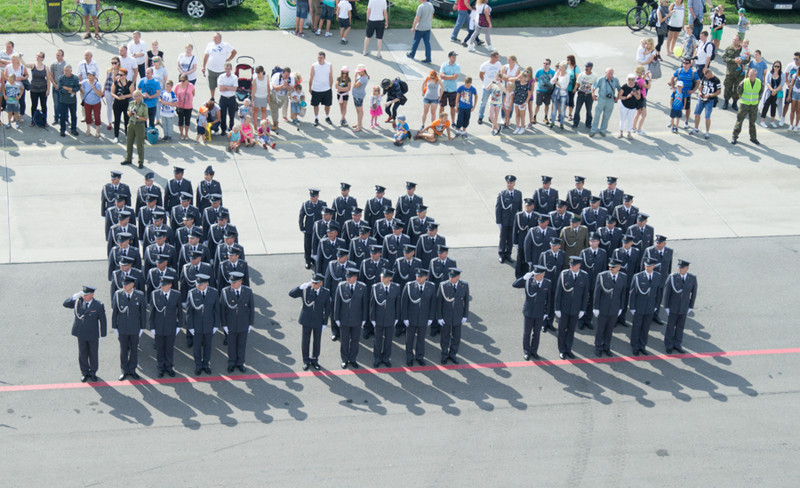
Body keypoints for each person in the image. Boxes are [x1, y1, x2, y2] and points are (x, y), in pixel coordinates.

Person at [63, 286, 107, 382]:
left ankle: (93, 372)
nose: (84, 296)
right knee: (82, 354)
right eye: (83, 294)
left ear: (92, 295)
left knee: (93, 354)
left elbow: (103, 320)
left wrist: (103, 334)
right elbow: (65, 304)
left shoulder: (98, 305)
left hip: (92, 334)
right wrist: (74, 297)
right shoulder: (78, 302)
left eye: (86, 295)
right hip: (81, 333)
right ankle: (84, 372)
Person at [290, 274, 330, 371]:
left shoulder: (325, 292)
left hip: (318, 320)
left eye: (315, 283)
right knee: (305, 341)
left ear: (321, 283)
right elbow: (291, 294)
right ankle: (306, 360)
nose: (313, 284)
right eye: (312, 282)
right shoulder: (306, 289)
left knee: (317, 341)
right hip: (306, 320)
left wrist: (325, 323)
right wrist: (300, 287)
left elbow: (328, 308)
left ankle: (315, 359)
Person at [553, 256, 589, 360]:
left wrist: (583, 309)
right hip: (564, 308)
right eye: (570, 265)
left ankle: (568, 348)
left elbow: (585, 294)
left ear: (579, 265)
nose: (571, 267)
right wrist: (557, 309)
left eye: (574, 265)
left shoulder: (584, 276)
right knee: (561, 330)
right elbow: (558, 293)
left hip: (576, 309)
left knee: (571, 330)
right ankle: (562, 350)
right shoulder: (564, 274)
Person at [111, 275, 146, 381]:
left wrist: (142, 328)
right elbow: (115, 312)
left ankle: (132, 370)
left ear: (132, 285)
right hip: (122, 328)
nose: (124, 286)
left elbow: (143, 312)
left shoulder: (139, 295)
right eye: (123, 284)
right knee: (123, 350)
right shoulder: (118, 294)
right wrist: (114, 327)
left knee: (134, 350)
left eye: (126, 284)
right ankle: (124, 370)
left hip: (135, 327)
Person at [219, 271, 254, 373]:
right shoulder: (225, 292)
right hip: (231, 324)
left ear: (240, 282)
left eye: (234, 282)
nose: (232, 284)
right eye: (231, 282)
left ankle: (240, 363)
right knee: (231, 345)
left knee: (242, 344)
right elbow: (222, 310)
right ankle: (231, 363)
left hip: (243, 323)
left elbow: (251, 308)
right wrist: (224, 324)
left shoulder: (247, 291)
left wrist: (250, 323)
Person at [512, 265, 549, 360]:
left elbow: (549, 300)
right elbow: (515, 284)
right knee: (527, 333)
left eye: (538, 275)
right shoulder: (529, 281)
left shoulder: (547, 283)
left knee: (537, 333)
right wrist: (524, 278)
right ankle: (527, 351)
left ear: (543, 274)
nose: (535, 276)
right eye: (534, 275)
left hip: (539, 312)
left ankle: (534, 351)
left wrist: (546, 312)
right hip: (529, 312)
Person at [334, 268, 368, 368]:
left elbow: (364, 304)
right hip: (344, 319)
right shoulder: (341, 286)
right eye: (346, 277)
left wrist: (364, 319)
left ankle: (353, 359)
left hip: (357, 319)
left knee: (355, 340)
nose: (347, 278)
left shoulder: (362, 287)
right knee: (344, 340)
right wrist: (336, 318)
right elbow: (337, 303)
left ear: (355, 277)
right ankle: (344, 359)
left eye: (350, 277)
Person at [185, 274, 220, 375]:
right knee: (197, 347)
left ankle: (206, 364)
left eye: (200, 284)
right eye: (197, 284)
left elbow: (217, 310)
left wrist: (216, 325)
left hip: (209, 325)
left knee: (208, 346)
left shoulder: (214, 293)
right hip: (197, 326)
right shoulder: (192, 293)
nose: (198, 286)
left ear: (207, 284)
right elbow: (189, 312)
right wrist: (190, 327)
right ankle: (198, 365)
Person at [592, 259, 627, 356]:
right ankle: (598, 347)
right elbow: (597, 293)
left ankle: (606, 346)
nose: (610, 268)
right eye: (610, 266)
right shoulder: (602, 276)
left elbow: (623, 294)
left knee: (609, 329)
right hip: (603, 308)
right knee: (600, 329)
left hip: (614, 308)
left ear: (619, 268)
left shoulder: (623, 277)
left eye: (613, 267)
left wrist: (621, 307)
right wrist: (596, 307)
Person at [148, 275, 181, 377]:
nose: (162, 287)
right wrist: (152, 327)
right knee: (160, 348)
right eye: (161, 285)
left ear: (170, 285)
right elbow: (151, 313)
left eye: (164, 285)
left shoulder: (176, 295)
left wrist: (179, 325)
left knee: (169, 348)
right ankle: (160, 367)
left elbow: (179, 312)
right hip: (158, 327)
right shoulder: (155, 294)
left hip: (171, 326)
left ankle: (169, 366)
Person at [629, 258, 663, 355]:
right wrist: (632, 307)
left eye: (650, 265)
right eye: (646, 265)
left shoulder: (657, 276)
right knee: (637, 327)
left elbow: (658, 292)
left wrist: (656, 306)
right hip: (639, 306)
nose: (647, 267)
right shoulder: (638, 276)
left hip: (650, 307)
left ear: (654, 266)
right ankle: (635, 346)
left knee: (645, 328)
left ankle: (642, 345)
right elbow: (632, 293)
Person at [663, 259, 697, 353]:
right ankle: (669, 344)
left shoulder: (692, 278)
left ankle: (677, 344)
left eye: (682, 268)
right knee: (670, 326)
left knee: (680, 327)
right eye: (678, 267)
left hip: (684, 307)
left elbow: (693, 293)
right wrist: (666, 306)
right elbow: (667, 293)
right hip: (673, 306)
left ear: (687, 268)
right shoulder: (672, 277)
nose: (679, 269)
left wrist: (691, 306)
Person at [731, 68, 763, 145]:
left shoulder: (759, 82)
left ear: (756, 75)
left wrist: (757, 101)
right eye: (750, 74)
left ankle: (753, 138)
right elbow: (739, 91)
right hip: (744, 104)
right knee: (739, 121)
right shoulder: (744, 82)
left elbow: (760, 92)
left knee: (752, 122)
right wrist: (742, 98)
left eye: (752, 75)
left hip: (754, 105)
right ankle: (734, 136)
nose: (751, 76)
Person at [202, 32, 237, 99]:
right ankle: (212, 97)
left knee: (223, 85)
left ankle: (223, 97)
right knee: (211, 85)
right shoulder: (210, 45)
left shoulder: (225, 45)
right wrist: (203, 66)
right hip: (211, 69)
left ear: (220, 38)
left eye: (216, 37)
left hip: (222, 70)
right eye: (213, 37)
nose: (214, 39)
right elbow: (206, 55)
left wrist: (229, 59)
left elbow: (234, 52)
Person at [691, 67, 721, 139]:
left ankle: (707, 132)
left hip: (709, 101)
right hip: (701, 99)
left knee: (707, 117)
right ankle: (696, 128)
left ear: (710, 73)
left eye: (707, 75)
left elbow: (719, 91)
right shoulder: (704, 77)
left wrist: (710, 95)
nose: (706, 77)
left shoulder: (716, 80)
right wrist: (700, 92)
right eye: (705, 75)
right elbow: (701, 86)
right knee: (697, 114)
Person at [21, 52, 50, 127]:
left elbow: (48, 80)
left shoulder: (46, 67)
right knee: (34, 105)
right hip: (34, 90)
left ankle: (44, 121)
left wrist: (48, 90)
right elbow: (24, 64)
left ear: (43, 58)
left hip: (43, 90)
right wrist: (19, 57)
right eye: (37, 55)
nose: (37, 57)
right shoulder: (32, 65)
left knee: (43, 106)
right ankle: (33, 121)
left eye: (39, 56)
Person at [590, 68, 619, 137]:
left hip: (610, 100)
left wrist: (617, 98)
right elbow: (593, 87)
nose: (610, 75)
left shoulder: (615, 80)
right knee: (597, 115)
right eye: (609, 73)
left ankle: (603, 130)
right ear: (605, 73)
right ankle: (593, 130)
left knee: (606, 116)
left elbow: (620, 89)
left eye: (611, 73)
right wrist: (593, 94)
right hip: (601, 99)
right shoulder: (601, 79)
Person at [121, 90, 148, 168]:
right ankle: (128, 159)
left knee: (140, 144)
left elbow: (146, 118)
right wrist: (129, 113)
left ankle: (140, 161)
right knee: (129, 142)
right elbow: (128, 113)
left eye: (136, 96)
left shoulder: (143, 106)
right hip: (131, 124)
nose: (134, 98)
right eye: (134, 96)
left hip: (139, 125)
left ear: (140, 96)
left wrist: (137, 116)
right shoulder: (131, 104)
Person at [670, 58, 699, 129]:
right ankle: (672, 121)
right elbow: (672, 77)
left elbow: (698, 81)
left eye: (686, 63)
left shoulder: (693, 73)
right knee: (675, 106)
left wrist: (693, 90)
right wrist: (673, 87)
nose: (685, 64)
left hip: (687, 94)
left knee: (687, 108)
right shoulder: (679, 70)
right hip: (678, 93)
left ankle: (686, 121)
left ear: (690, 64)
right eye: (684, 63)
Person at [309, 51, 334, 127]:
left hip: (326, 89)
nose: (319, 59)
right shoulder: (314, 65)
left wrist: (330, 86)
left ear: (324, 58)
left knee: (327, 105)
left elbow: (331, 76)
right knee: (315, 105)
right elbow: (311, 77)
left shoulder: (329, 65)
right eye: (318, 58)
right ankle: (316, 118)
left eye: (321, 58)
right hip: (316, 89)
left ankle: (327, 116)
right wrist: (310, 87)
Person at [477, 51, 502, 125]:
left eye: (498, 57)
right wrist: (485, 82)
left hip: (495, 87)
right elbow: (481, 75)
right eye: (496, 57)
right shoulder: (485, 65)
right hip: (487, 87)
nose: (498, 59)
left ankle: (490, 117)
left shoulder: (498, 64)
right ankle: (480, 117)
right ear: (492, 57)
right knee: (483, 102)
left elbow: (499, 73)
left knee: (493, 103)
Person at [57, 64, 81, 137]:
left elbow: (77, 88)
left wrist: (67, 88)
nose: (65, 72)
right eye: (64, 70)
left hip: (72, 101)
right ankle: (62, 130)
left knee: (73, 115)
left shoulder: (75, 78)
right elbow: (60, 89)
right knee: (62, 116)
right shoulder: (61, 78)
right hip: (63, 101)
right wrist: (70, 90)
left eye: (67, 70)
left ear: (71, 71)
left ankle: (73, 129)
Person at [722, 37, 744, 110]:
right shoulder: (728, 48)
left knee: (737, 89)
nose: (734, 41)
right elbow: (724, 58)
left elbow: (748, 59)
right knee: (728, 87)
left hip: (739, 74)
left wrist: (742, 61)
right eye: (733, 40)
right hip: (730, 72)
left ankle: (734, 102)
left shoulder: (743, 50)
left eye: (736, 40)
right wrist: (733, 60)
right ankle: (726, 102)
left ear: (739, 41)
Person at [572, 62, 596, 129]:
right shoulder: (581, 75)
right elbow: (577, 83)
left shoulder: (594, 76)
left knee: (589, 110)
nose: (586, 68)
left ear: (591, 68)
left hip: (589, 95)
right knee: (577, 110)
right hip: (581, 94)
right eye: (585, 67)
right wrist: (574, 90)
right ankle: (575, 123)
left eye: (587, 67)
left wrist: (594, 93)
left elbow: (595, 86)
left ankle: (588, 124)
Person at [269, 67, 293, 133]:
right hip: (274, 95)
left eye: (288, 76)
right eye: (285, 75)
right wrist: (282, 85)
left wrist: (286, 86)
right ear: (282, 73)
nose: (286, 77)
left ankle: (282, 116)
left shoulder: (291, 78)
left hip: (283, 96)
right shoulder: (276, 76)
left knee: (279, 107)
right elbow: (275, 88)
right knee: (274, 110)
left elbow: (291, 88)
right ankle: (275, 123)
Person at [439, 51, 461, 123]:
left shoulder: (457, 66)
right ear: (449, 57)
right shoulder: (444, 65)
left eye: (455, 57)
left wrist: (445, 76)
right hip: (444, 89)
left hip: (453, 90)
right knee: (442, 106)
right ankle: (440, 121)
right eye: (453, 57)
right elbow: (441, 75)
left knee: (452, 107)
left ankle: (453, 121)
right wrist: (450, 76)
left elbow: (454, 77)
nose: (454, 59)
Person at [617, 73, 640, 140]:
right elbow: (620, 96)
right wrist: (627, 97)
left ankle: (629, 133)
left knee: (630, 120)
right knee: (622, 119)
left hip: (633, 106)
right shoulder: (624, 86)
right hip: (624, 105)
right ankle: (621, 132)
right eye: (630, 79)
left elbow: (639, 97)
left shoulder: (637, 87)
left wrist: (635, 94)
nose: (631, 81)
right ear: (628, 79)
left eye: (632, 79)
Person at [80, 71, 103, 137]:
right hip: (87, 102)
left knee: (97, 116)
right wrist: (82, 91)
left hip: (96, 103)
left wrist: (95, 89)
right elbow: (79, 84)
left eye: (90, 75)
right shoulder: (84, 82)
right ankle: (88, 130)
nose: (89, 76)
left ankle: (97, 131)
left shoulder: (97, 84)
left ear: (94, 76)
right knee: (88, 116)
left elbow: (100, 95)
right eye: (88, 75)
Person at [632, 65, 651, 136]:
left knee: (638, 112)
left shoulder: (637, 79)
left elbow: (641, 80)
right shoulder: (642, 81)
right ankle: (639, 130)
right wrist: (650, 78)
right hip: (642, 98)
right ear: (642, 72)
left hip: (638, 98)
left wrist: (645, 75)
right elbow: (648, 87)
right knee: (644, 115)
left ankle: (633, 127)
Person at [49, 49, 67, 126]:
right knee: (56, 104)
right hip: (55, 87)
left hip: (63, 87)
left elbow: (67, 76)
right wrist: (54, 84)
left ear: (62, 56)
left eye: (59, 55)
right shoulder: (53, 64)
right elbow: (50, 75)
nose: (57, 56)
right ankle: (56, 118)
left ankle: (65, 118)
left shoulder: (66, 65)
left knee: (64, 103)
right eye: (56, 55)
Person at [550, 62, 570, 130]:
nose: (559, 68)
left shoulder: (567, 76)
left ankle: (561, 123)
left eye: (560, 67)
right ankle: (552, 122)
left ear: (564, 68)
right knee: (554, 108)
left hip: (563, 94)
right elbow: (551, 82)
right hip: (556, 93)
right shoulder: (557, 73)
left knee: (562, 109)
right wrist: (556, 76)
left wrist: (556, 82)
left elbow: (564, 87)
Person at [174, 74, 194, 141]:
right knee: (180, 121)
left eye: (183, 80)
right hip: (180, 106)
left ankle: (186, 134)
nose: (182, 82)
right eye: (180, 80)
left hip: (188, 106)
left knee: (187, 121)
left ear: (187, 80)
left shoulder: (191, 86)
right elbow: (174, 94)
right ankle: (181, 133)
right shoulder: (177, 86)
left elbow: (193, 94)